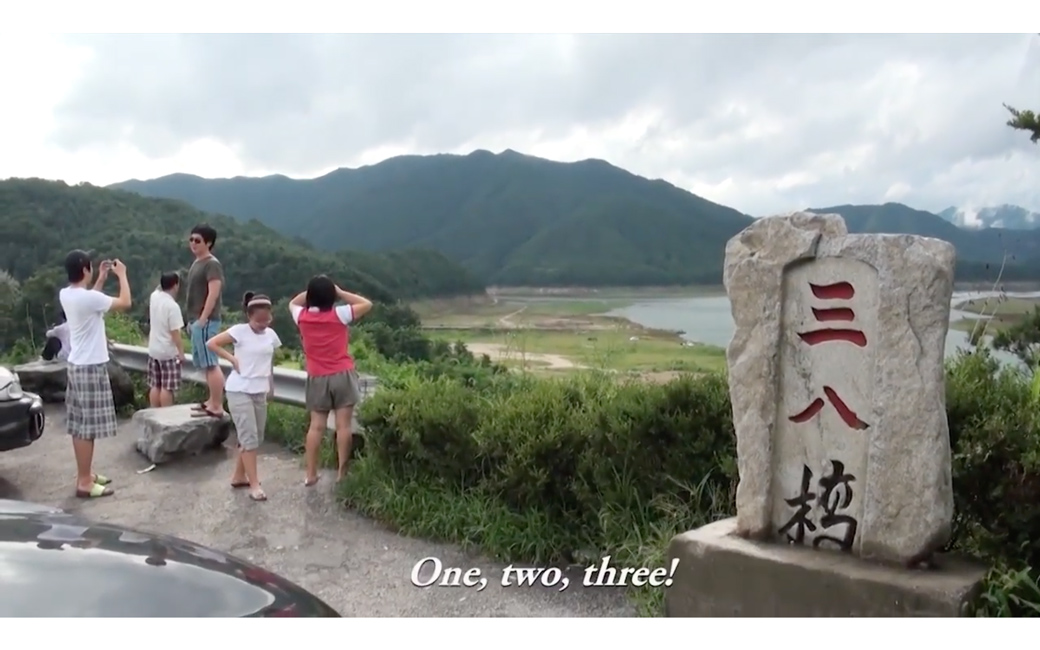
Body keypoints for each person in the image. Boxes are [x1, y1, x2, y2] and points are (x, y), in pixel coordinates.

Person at [58, 250, 132, 499]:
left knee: (80, 424)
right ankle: (84, 482)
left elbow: (92, 300)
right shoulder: (88, 299)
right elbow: (125, 303)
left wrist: (100, 278)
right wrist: (122, 275)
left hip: (77, 365)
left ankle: (86, 474)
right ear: (85, 269)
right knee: (86, 428)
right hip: (90, 367)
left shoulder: (67, 294)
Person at [288, 275, 372, 486]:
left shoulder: (302, 316)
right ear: (332, 296)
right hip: (342, 374)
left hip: (317, 376)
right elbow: (366, 304)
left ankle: (311, 474)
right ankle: (342, 474)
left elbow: (293, 303)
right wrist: (340, 292)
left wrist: (311, 291)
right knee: (343, 426)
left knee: (316, 426)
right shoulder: (340, 314)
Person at [206, 292, 280, 502]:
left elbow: (269, 362)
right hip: (239, 389)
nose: (263, 325)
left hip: (259, 389)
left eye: (267, 320)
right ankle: (254, 485)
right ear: (249, 316)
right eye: (259, 321)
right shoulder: (239, 331)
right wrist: (232, 359)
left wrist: (271, 385)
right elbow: (212, 343)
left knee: (256, 436)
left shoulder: (271, 335)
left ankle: (239, 476)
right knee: (249, 438)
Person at [184, 224, 226, 418]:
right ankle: (211, 401)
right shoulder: (197, 263)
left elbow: (213, 292)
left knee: (211, 363)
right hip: (196, 319)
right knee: (205, 363)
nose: (193, 243)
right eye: (191, 239)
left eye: (198, 240)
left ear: (208, 243)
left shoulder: (212, 264)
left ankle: (217, 405)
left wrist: (202, 318)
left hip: (206, 321)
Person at [146, 272, 186, 408]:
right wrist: (181, 352)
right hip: (167, 352)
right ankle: (165, 415)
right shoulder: (173, 307)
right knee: (167, 387)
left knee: (155, 385)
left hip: (153, 349)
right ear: (175, 286)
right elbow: (175, 332)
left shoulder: (154, 297)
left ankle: (153, 412)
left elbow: (158, 288)